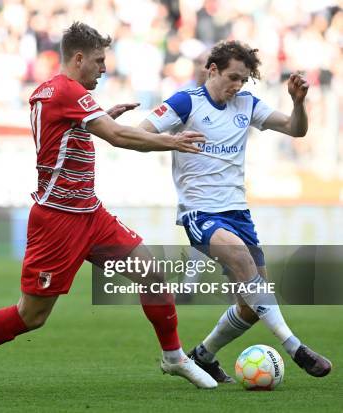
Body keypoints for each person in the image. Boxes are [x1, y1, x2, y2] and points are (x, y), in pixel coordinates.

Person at [0, 22, 217, 392]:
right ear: (78, 58)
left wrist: (104, 117)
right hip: (58, 222)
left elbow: (68, 134)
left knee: (151, 273)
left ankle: (174, 357)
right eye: (98, 61)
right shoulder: (67, 91)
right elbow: (115, 138)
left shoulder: (53, 91)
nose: (103, 68)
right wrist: (169, 141)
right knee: (31, 316)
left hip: (90, 215)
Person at [140, 40, 332, 382]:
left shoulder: (246, 103)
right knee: (243, 261)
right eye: (232, 77)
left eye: (243, 79)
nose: (237, 85)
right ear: (212, 70)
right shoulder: (187, 102)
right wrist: (173, 140)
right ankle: (295, 347)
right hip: (199, 213)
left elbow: (295, 129)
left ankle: (203, 355)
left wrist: (298, 103)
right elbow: (140, 134)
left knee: (252, 305)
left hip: (238, 213)